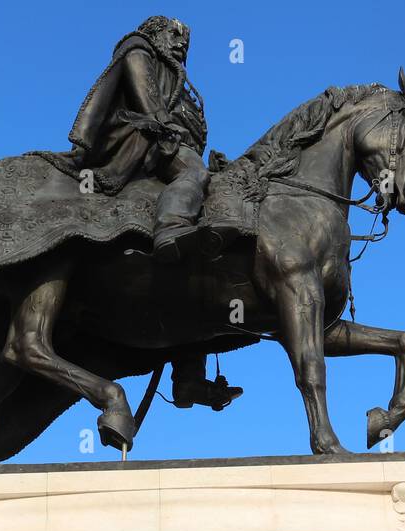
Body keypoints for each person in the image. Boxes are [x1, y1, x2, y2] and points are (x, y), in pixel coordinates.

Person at [59, 14, 242, 409]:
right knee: (194, 172)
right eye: (174, 37)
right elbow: (147, 103)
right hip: (141, 144)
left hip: (167, 146)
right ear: (155, 33)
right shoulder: (138, 48)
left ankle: (189, 379)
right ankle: (170, 227)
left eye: (185, 42)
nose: (180, 45)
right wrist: (171, 131)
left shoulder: (176, 77)